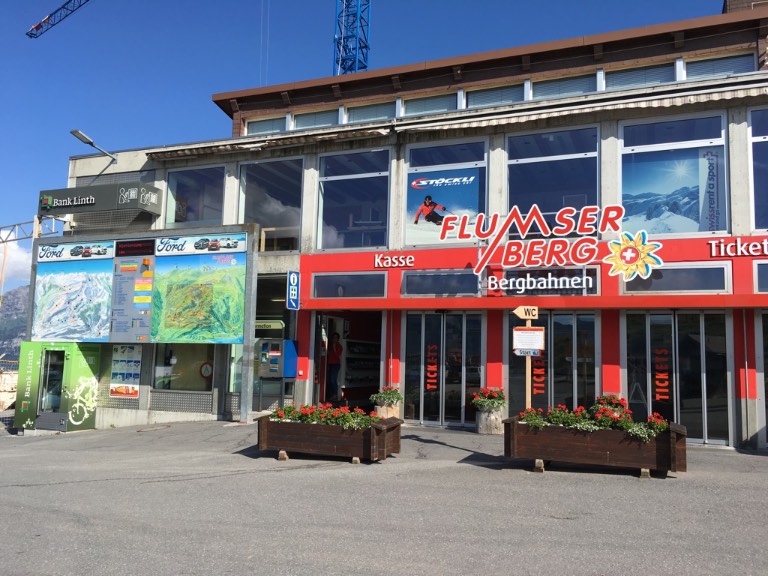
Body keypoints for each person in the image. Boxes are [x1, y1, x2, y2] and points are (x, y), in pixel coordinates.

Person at [327, 332, 343, 402]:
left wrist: (334, 347)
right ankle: (332, 395)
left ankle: (335, 395)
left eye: (336, 338)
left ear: (338, 339)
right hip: (330, 364)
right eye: (333, 338)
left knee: (333, 380)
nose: (334, 339)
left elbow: (337, 355)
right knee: (329, 380)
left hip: (336, 364)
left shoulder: (339, 346)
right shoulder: (330, 346)